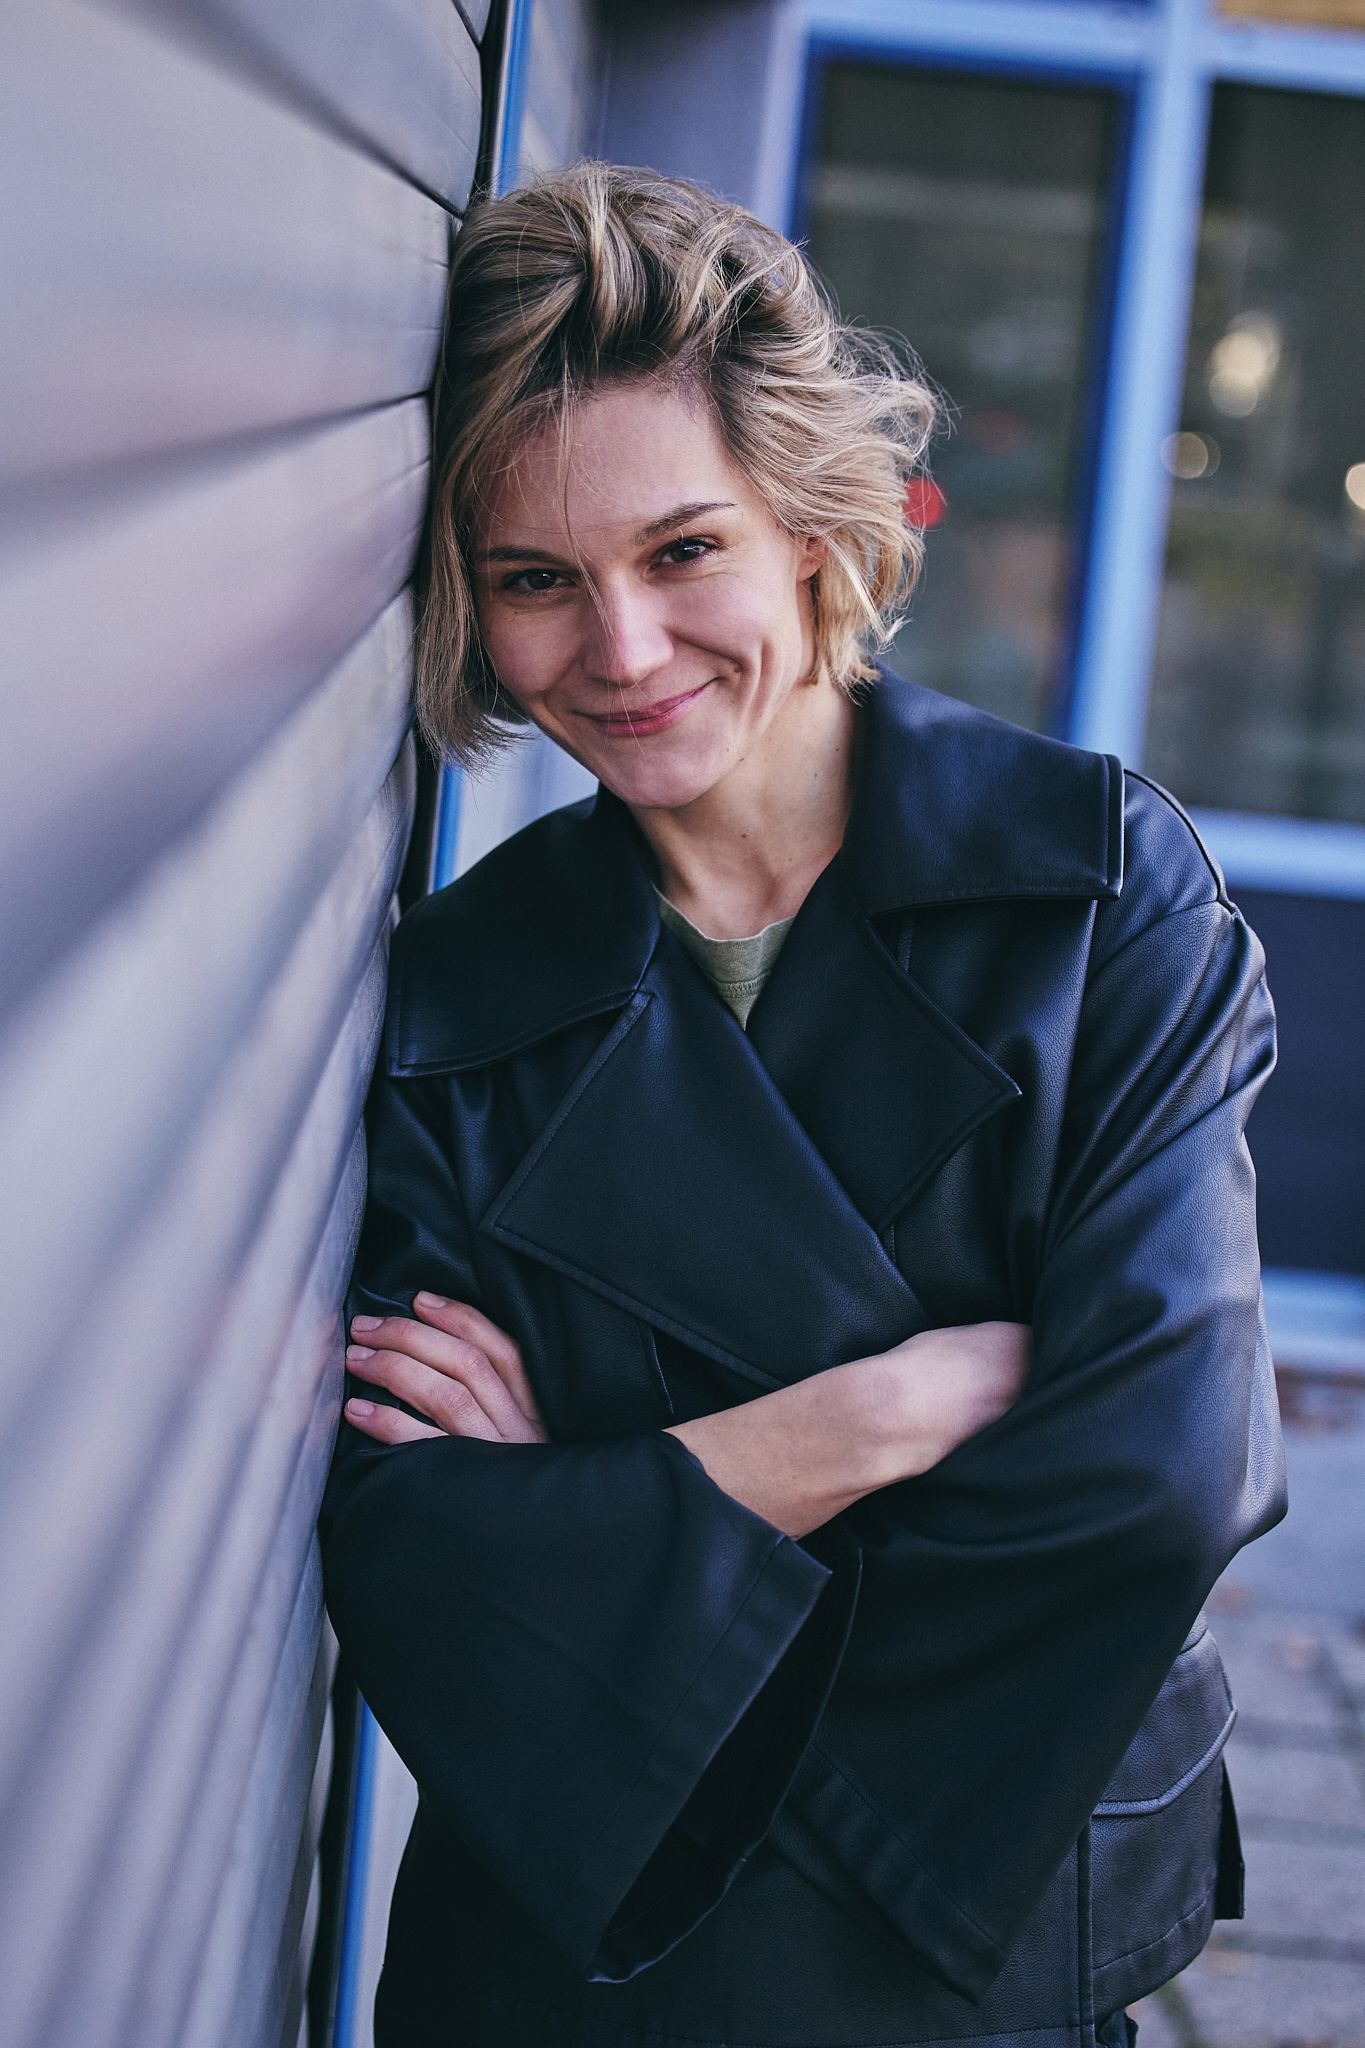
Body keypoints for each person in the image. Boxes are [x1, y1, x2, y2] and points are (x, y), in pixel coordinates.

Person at [317, 161, 1286, 2048]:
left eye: (683, 550)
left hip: (960, 1934)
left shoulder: (1094, 890)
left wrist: (613, 1504)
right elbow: (422, 1561)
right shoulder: (459, 992)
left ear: (811, 537)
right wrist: (865, 1419)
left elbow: (1154, 1476)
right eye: (534, 580)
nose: (620, 650)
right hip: (578, 1975)